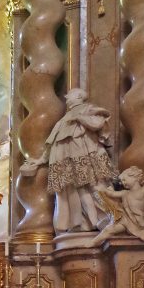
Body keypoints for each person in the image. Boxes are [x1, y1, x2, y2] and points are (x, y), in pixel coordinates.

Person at [24, 87, 115, 233]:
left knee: (96, 187)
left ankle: (109, 217)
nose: (66, 99)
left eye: (70, 96)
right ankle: (92, 222)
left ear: (79, 97)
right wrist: (41, 160)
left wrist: (80, 117)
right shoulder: (64, 119)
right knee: (79, 192)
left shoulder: (88, 109)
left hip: (85, 155)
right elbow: (53, 141)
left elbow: (97, 124)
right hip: (68, 161)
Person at [90, 166, 144, 250]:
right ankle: (93, 242)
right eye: (122, 181)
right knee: (109, 230)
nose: (123, 183)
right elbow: (111, 194)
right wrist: (101, 189)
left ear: (135, 177)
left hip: (139, 222)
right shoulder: (125, 193)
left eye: (124, 179)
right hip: (127, 219)